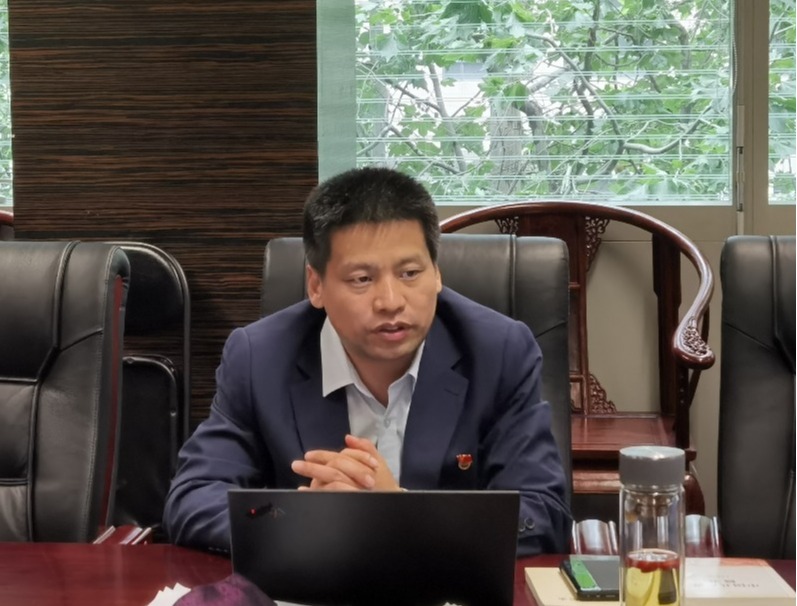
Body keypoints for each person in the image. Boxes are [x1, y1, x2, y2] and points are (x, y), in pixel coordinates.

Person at [163, 166, 571, 556]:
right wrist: (302, 519)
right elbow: (193, 498)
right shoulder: (259, 357)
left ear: (437, 273)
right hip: (311, 585)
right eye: (362, 279)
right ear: (316, 285)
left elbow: (543, 514)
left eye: (410, 273)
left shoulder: (498, 351)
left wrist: (399, 514)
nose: (391, 302)